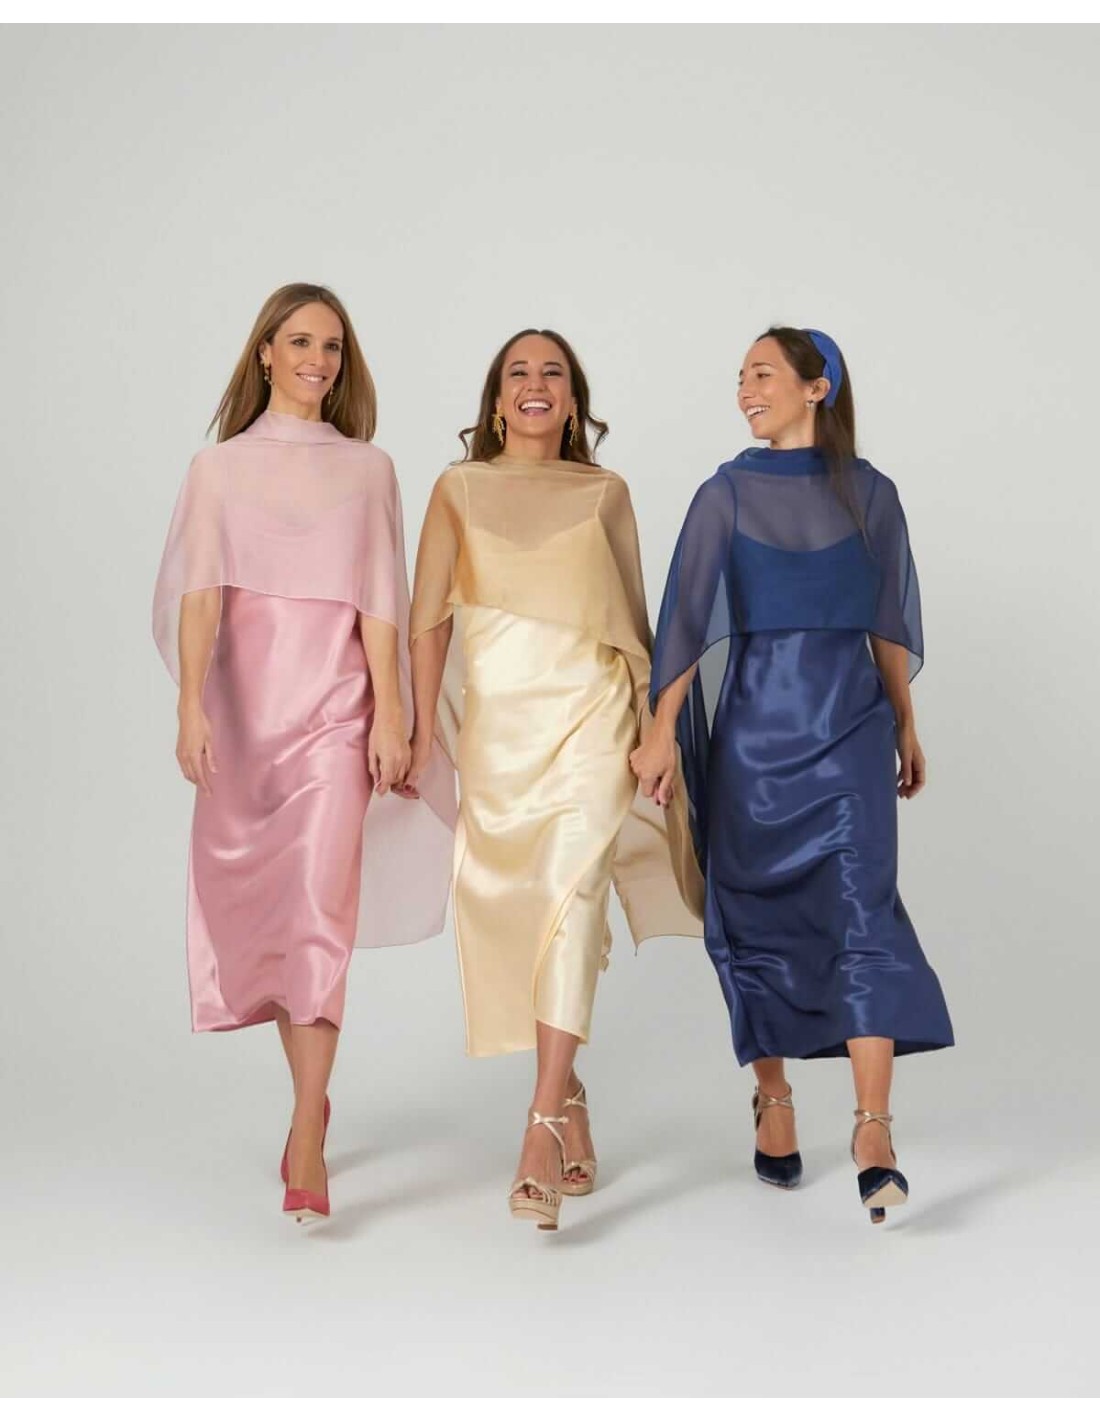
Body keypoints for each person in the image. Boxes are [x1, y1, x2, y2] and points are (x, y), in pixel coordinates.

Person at [634, 326, 953, 1223]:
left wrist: (907, 722)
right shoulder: (724, 493)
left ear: (818, 388)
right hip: (753, 744)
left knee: (863, 915)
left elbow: (886, 621)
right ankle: (772, 1096)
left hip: (850, 733)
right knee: (753, 916)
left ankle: (873, 1129)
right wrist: (661, 735)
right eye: (741, 376)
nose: (746, 389)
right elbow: (683, 621)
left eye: (763, 373)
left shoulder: (873, 495)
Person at [152, 283, 454, 1224]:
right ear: (265, 354)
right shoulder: (218, 469)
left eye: (331, 346)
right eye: (300, 342)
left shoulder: (369, 470)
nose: (317, 360)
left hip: (335, 713)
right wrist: (190, 707)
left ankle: (309, 1129)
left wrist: (393, 714)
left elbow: (382, 601)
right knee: (274, 918)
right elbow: (200, 596)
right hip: (246, 717)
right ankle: (310, 1102)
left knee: (321, 908)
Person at [403, 328, 700, 1231]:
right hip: (500, 733)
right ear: (497, 400)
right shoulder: (457, 489)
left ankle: (536, 1127)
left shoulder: (606, 494)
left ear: (573, 401)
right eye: (518, 373)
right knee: (518, 909)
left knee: (574, 901)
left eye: (554, 373)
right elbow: (428, 621)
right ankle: (568, 1093)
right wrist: (419, 733)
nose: (535, 384)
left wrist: (656, 733)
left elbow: (637, 629)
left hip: (592, 724)